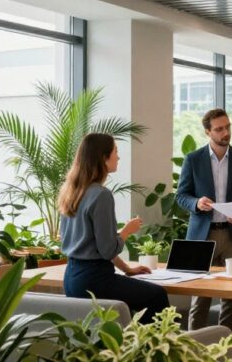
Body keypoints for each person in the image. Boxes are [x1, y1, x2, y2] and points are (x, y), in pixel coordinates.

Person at [59, 133, 169, 321]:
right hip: (95, 280)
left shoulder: (71, 192)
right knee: (156, 296)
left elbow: (94, 243)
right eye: (115, 151)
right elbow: (107, 249)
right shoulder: (101, 195)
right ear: (103, 158)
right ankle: (143, 348)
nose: (118, 156)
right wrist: (126, 231)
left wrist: (127, 268)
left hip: (72, 278)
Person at [175, 108, 232, 331]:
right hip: (203, 234)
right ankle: (195, 348)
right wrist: (196, 203)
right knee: (200, 297)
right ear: (207, 132)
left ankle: (225, 348)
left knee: (230, 297)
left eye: (228, 127)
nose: (226, 133)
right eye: (219, 129)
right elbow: (181, 195)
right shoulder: (193, 160)